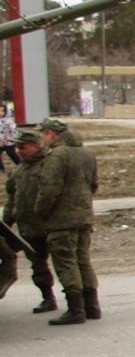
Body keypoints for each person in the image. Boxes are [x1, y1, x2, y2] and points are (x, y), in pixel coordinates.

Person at [26, 117, 97, 324]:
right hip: (84, 216)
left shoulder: (57, 155)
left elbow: (49, 189)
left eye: (43, 134)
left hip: (62, 219)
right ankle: (92, 306)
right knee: (83, 261)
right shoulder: (86, 153)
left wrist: (41, 212)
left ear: (51, 134)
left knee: (66, 263)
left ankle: (76, 310)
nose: (41, 139)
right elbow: (93, 184)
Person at [2, 129, 53, 311]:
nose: (19, 151)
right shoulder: (19, 171)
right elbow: (11, 200)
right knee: (38, 265)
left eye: (23, 147)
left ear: (36, 146)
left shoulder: (49, 165)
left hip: (51, 226)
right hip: (28, 228)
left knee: (65, 264)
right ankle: (48, 298)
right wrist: (6, 224)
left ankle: (76, 301)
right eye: (17, 147)